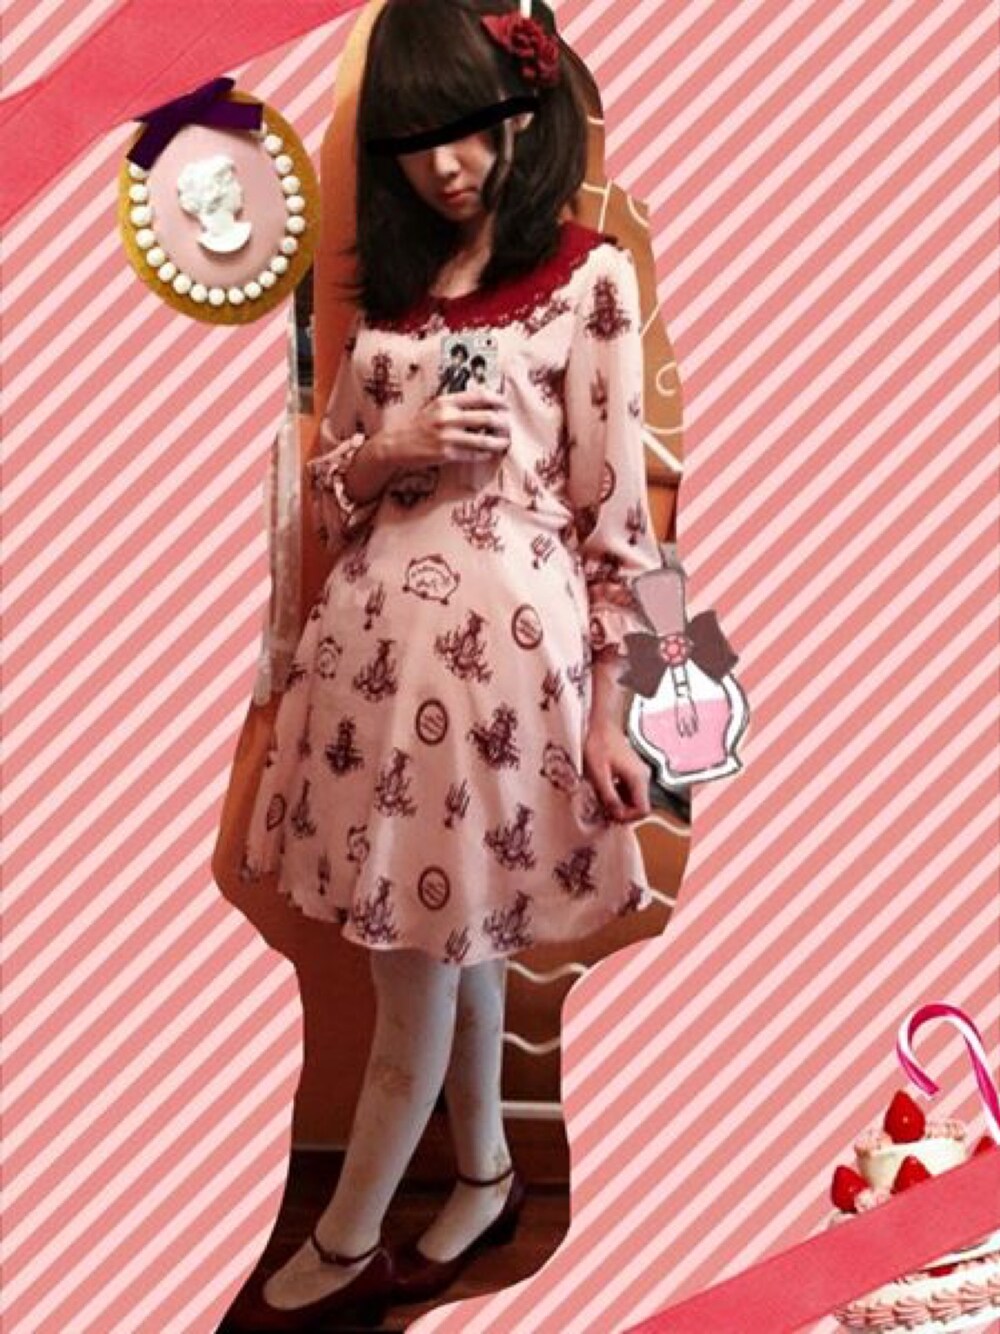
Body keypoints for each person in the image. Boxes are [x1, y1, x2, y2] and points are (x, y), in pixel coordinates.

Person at [233, 0, 665, 1326]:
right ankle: (482, 1175)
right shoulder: (398, 300)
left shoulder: (589, 278)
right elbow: (329, 495)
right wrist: (395, 443)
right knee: (450, 950)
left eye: (468, 127)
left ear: (522, 114)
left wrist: (616, 711)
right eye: (418, 138)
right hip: (368, 694)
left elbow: (621, 525)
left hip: (497, 696)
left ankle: (346, 1241)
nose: (447, 163)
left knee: (419, 983)